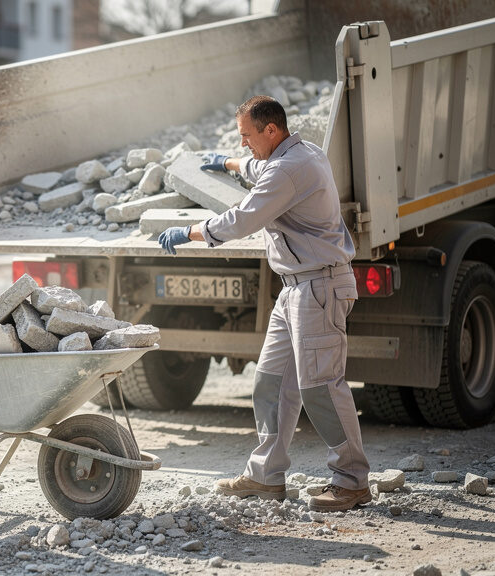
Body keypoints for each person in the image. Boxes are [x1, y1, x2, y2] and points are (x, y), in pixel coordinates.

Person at [158, 95, 371, 512]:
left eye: (246, 137)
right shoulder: (296, 153)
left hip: (318, 287)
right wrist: (229, 166)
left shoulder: (291, 168)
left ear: (270, 131)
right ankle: (265, 477)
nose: (243, 145)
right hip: (294, 289)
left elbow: (242, 219)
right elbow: (258, 167)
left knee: (321, 390)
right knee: (269, 383)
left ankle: (352, 481)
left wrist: (190, 231)